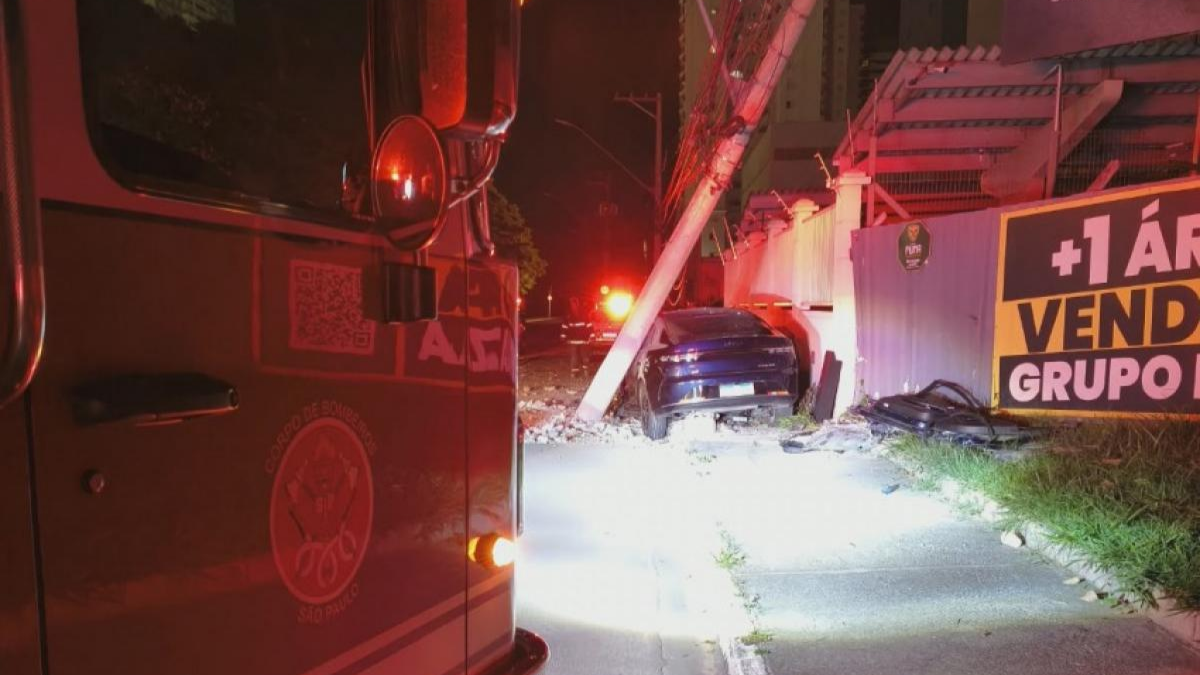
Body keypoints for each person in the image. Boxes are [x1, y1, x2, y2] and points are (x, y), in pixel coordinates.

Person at [562, 296, 593, 375]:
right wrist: (591, 335)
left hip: (574, 340)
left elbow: (565, 327)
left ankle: (575, 372)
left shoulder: (568, 315)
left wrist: (563, 336)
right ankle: (585, 371)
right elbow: (589, 325)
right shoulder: (583, 313)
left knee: (575, 356)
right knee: (583, 355)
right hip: (583, 339)